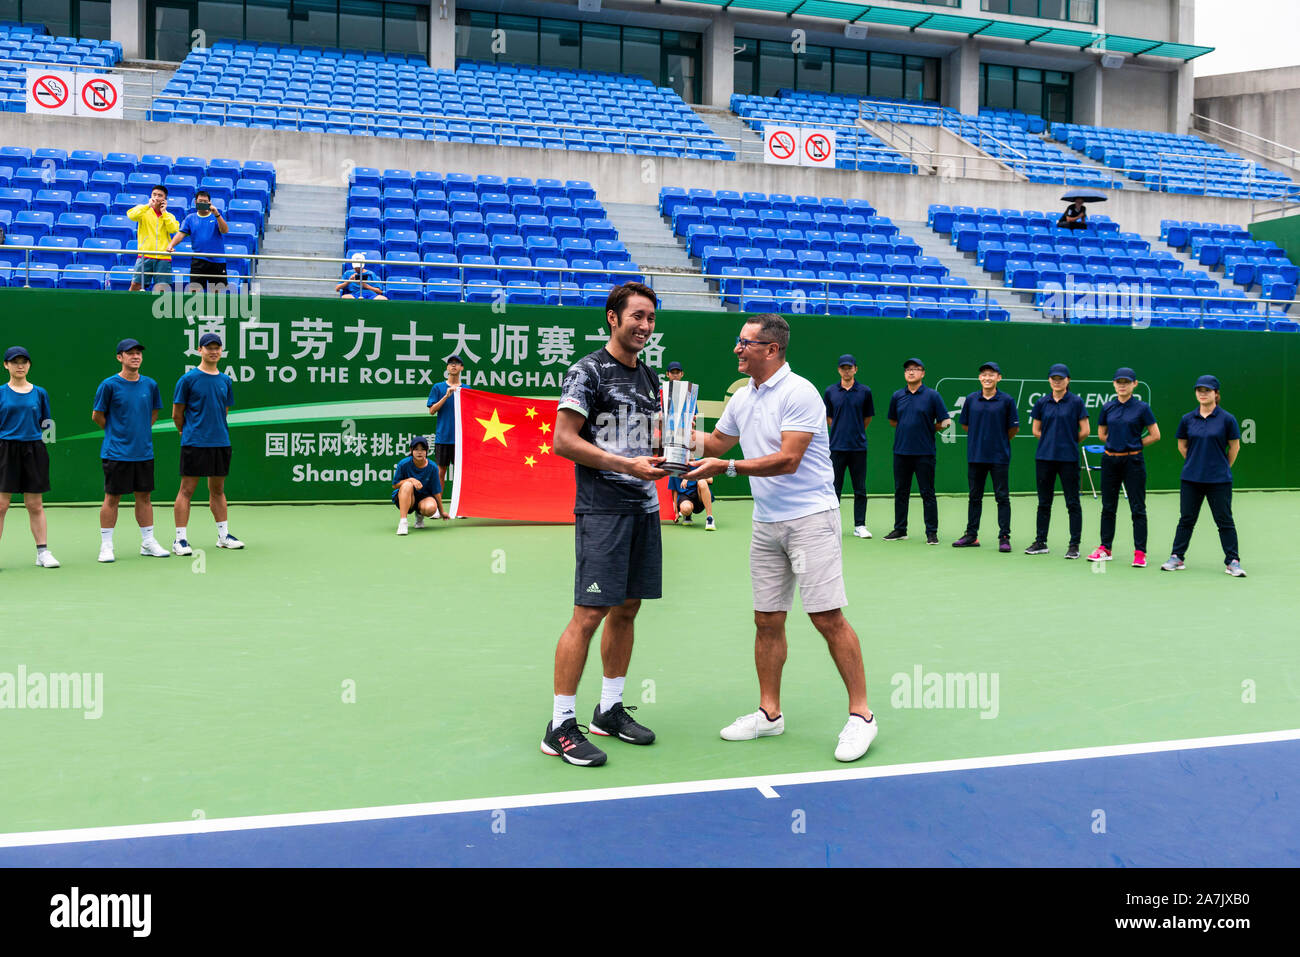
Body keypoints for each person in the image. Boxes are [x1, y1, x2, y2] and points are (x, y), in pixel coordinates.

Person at [688, 314, 877, 763]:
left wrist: (728, 469)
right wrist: (672, 435)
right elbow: (715, 444)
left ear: (770, 349)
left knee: (827, 618)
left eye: (744, 343)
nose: (737, 349)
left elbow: (788, 459)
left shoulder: (801, 392)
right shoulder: (742, 396)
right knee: (767, 620)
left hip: (811, 518)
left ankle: (862, 717)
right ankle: (769, 714)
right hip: (766, 522)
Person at [543, 281, 666, 767]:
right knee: (588, 615)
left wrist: (672, 457)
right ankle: (560, 725)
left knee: (628, 609)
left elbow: (650, 441)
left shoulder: (652, 379)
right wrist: (625, 466)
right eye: (637, 316)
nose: (645, 326)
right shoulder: (587, 371)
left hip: (645, 509)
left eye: (651, 318)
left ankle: (609, 710)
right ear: (612, 318)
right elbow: (563, 441)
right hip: (602, 508)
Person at [91, 338, 169, 562]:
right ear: (120, 357)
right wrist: (118, 432)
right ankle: (106, 545)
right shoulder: (108, 385)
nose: (136, 356)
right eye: (130, 353)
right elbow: (97, 415)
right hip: (116, 453)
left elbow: (153, 413)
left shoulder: (150, 385)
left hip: (143, 452)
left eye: (138, 353)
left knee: (144, 497)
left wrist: (139, 432)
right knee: (112, 498)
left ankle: (148, 542)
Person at [1162, 375, 1245, 577]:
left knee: (1224, 520)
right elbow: (1182, 445)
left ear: (1216, 394)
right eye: (1199, 390)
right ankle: (1177, 557)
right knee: (1186, 519)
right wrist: (1195, 462)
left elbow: (1235, 446)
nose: (1202, 393)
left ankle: (1232, 561)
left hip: (1219, 480)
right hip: (1191, 478)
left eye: (1207, 390)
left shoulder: (1227, 419)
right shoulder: (1187, 419)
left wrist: (1222, 466)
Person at [172, 332, 244, 555]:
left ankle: (223, 536)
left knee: (218, 490)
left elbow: (224, 410)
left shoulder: (225, 380)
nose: (213, 351)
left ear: (221, 351)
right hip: (194, 442)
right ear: (200, 350)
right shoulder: (188, 380)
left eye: (217, 348)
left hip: (220, 442)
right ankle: (180, 540)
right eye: (209, 347)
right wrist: (188, 432)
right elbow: (177, 414)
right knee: (187, 490)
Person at [1088, 367, 1159, 567]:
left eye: (1126, 382)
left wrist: (1134, 445)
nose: (1122, 385)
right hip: (1110, 461)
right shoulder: (1107, 407)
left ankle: (1140, 553)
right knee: (1108, 507)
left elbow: (1155, 435)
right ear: (1114, 384)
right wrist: (1117, 445)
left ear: (1134, 384)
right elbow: (1102, 434)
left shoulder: (1142, 408)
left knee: (1137, 508)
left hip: (1133, 462)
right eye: (1119, 382)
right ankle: (1105, 549)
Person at [0, 346, 58, 568]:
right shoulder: (1, 393)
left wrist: (38, 446)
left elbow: (46, 422)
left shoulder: (40, 393)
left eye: (24, 361)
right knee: (1, 505)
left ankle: (42, 553)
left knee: (35, 504)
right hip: (5, 450)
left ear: (29, 365)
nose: (20, 365)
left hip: (33, 450)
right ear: (6, 365)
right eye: (15, 362)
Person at [1025, 363, 1089, 558]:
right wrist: (1049, 442)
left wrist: (1068, 442)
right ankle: (1041, 541)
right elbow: (1036, 429)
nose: (1057, 381)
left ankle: (1074, 545)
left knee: (1072, 502)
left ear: (1067, 380)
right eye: (1054, 378)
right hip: (1044, 458)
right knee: (1044, 502)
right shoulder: (1042, 403)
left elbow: (1085, 430)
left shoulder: (1076, 402)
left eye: (1061, 378)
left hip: (1068, 459)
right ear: (1049, 381)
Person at [884, 357, 951, 544]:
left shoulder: (932, 396)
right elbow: (893, 421)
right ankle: (900, 529)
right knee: (900, 492)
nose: (911, 372)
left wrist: (929, 428)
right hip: (901, 452)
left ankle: (931, 532)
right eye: (908, 369)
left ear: (923, 373)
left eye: (915, 369)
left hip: (924, 453)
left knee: (927, 493)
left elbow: (945, 421)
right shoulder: (897, 396)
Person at [954, 361, 1019, 551]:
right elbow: (966, 425)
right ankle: (971, 535)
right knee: (975, 497)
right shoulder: (971, 399)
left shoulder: (1007, 400)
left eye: (991, 374)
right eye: (984, 374)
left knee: (1002, 497)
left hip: (999, 457)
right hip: (976, 456)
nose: (987, 377)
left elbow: (1013, 429)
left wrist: (997, 441)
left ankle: (1004, 537)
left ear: (999, 377)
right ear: (979, 378)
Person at [824, 353, 874, 539]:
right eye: (843, 368)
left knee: (859, 489)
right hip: (836, 447)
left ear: (855, 369)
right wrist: (840, 429)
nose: (847, 371)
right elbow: (829, 418)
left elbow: (867, 417)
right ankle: (832, 526)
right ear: (839, 370)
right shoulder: (830, 392)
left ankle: (860, 525)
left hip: (858, 447)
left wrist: (855, 430)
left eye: (850, 367)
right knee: (834, 488)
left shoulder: (865, 391)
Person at [165, 189, 229, 291]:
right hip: (198, 261)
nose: (202, 203)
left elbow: (225, 230)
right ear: (195, 202)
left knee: (218, 293)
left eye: (205, 202)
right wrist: (171, 245)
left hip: (217, 261)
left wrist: (217, 214)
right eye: (200, 201)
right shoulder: (190, 218)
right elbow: (181, 234)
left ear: (209, 203)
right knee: (195, 291)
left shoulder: (216, 216)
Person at [127, 185, 180, 292]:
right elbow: (131, 216)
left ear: (165, 199)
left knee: (162, 289)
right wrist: (148, 206)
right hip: (144, 255)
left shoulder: (169, 215)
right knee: (135, 286)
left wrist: (164, 213)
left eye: (160, 195)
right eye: (154, 194)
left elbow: (173, 229)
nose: (156, 197)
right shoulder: (143, 211)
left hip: (163, 257)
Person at [426, 354, 467, 491]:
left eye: (457, 363)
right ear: (447, 368)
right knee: (440, 473)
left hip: (461, 440)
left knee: (460, 475)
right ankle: (438, 507)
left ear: (461, 367)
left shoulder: (467, 390)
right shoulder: (438, 388)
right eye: (451, 363)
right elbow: (432, 410)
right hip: (443, 438)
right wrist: (446, 396)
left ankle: (459, 509)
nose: (453, 365)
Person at [392, 435, 447, 535]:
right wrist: (410, 480)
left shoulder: (433, 467)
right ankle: (403, 522)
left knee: (430, 508)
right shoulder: (403, 464)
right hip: (405, 497)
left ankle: (419, 514)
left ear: (427, 451)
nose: (419, 452)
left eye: (422, 449)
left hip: (424, 498)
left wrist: (441, 511)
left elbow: (436, 491)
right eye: (416, 449)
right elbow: (395, 485)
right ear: (411, 450)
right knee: (407, 485)